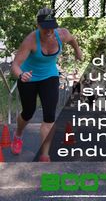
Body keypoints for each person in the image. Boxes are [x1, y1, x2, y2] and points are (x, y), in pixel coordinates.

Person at [11, 8, 82, 162]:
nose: (49, 31)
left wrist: (77, 51)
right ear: (38, 25)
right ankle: (18, 135)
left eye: (52, 26)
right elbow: (15, 65)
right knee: (28, 112)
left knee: (49, 116)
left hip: (49, 76)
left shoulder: (62, 34)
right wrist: (21, 75)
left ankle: (44, 154)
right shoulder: (30, 40)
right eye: (45, 27)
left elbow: (72, 40)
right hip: (28, 78)